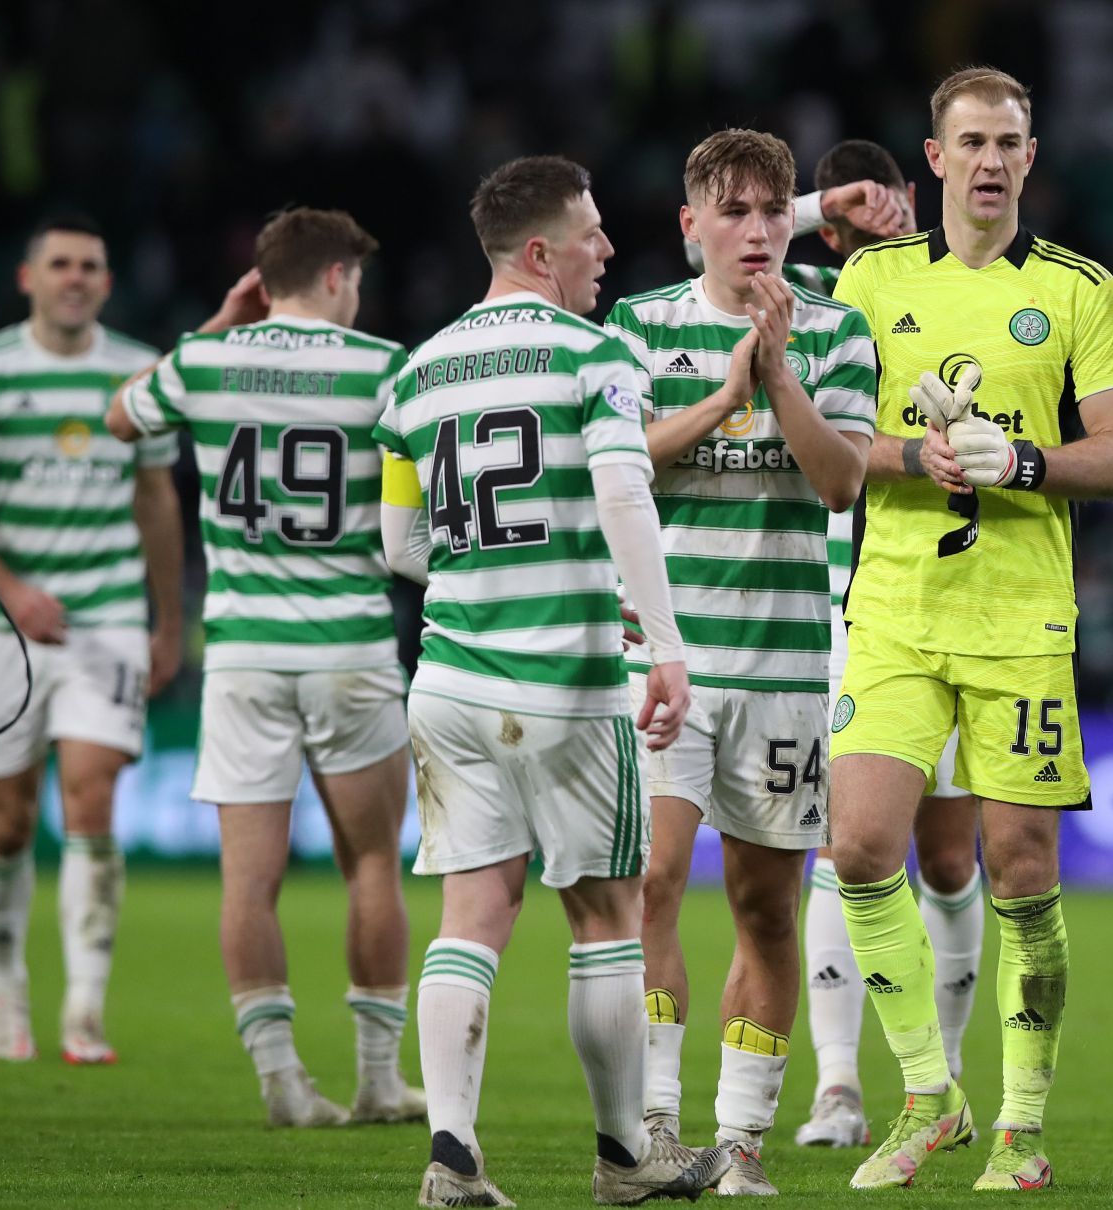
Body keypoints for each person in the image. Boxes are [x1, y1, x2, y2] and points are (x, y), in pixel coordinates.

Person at [377, 155, 728, 1206]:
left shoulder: (417, 370)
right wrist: (664, 642)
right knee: (606, 914)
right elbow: (626, 490)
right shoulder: (597, 352)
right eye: (591, 234)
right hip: (567, 682)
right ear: (540, 253)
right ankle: (628, 1158)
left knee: (470, 914)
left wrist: (493, 568)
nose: (608, 251)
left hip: (447, 677)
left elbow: (400, 543)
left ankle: (451, 1152)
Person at [828, 66, 1113, 1192]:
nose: (992, 160)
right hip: (897, 606)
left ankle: (1020, 1122)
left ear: (1032, 155)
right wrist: (915, 455)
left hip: (1021, 614)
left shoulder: (1079, 291)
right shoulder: (869, 281)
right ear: (934, 156)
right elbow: (822, 440)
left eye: (1010, 141)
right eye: (971, 141)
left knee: (1018, 867)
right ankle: (928, 1094)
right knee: (860, 846)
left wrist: (1020, 460)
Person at [107, 209, 423, 1127]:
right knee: (372, 863)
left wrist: (213, 326)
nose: (357, 298)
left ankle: (282, 1082)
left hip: (242, 654)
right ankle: (374, 1078)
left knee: (249, 881)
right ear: (333, 278)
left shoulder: (205, 365)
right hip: (349, 646)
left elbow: (117, 418)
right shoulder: (383, 366)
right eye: (353, 282)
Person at [604, 128, 875, 1195]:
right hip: (666, 657)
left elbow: (842, 482)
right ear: (691, 225)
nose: (756, 231)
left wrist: (779, 379)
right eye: (734, 212)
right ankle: (660, 1125)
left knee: (766, 908)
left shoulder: (840, 332)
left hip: (786, 663)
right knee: (653, 883)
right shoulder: (637, 328)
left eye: (773, 212)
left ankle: (745, 1142)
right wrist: (722, 399)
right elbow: (620, 471)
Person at [0, 213, 183, 1066]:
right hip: (3, 624)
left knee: (91, 797)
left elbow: (157, 500)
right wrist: (11, 592)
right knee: (6, 823)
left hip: (107, 616)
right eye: (61, 264)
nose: (76, 277)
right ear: (28, 279)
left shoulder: (136, 371)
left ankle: (83, 1006)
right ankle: (5, 982)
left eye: (91, 266)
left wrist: (168, 619)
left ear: (107, 284)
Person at [788, 138, 987, 1153]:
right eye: (866, 209)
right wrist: (812, 206)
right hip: (836, 616)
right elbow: (710, 246)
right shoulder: (812, 305)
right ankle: (836, 1087)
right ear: (831, 227)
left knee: (950, 857)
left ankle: (940, 1079)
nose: (895, 215)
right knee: (847, 846)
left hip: (952, 602)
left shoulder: (972, 291)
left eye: (899, 198)